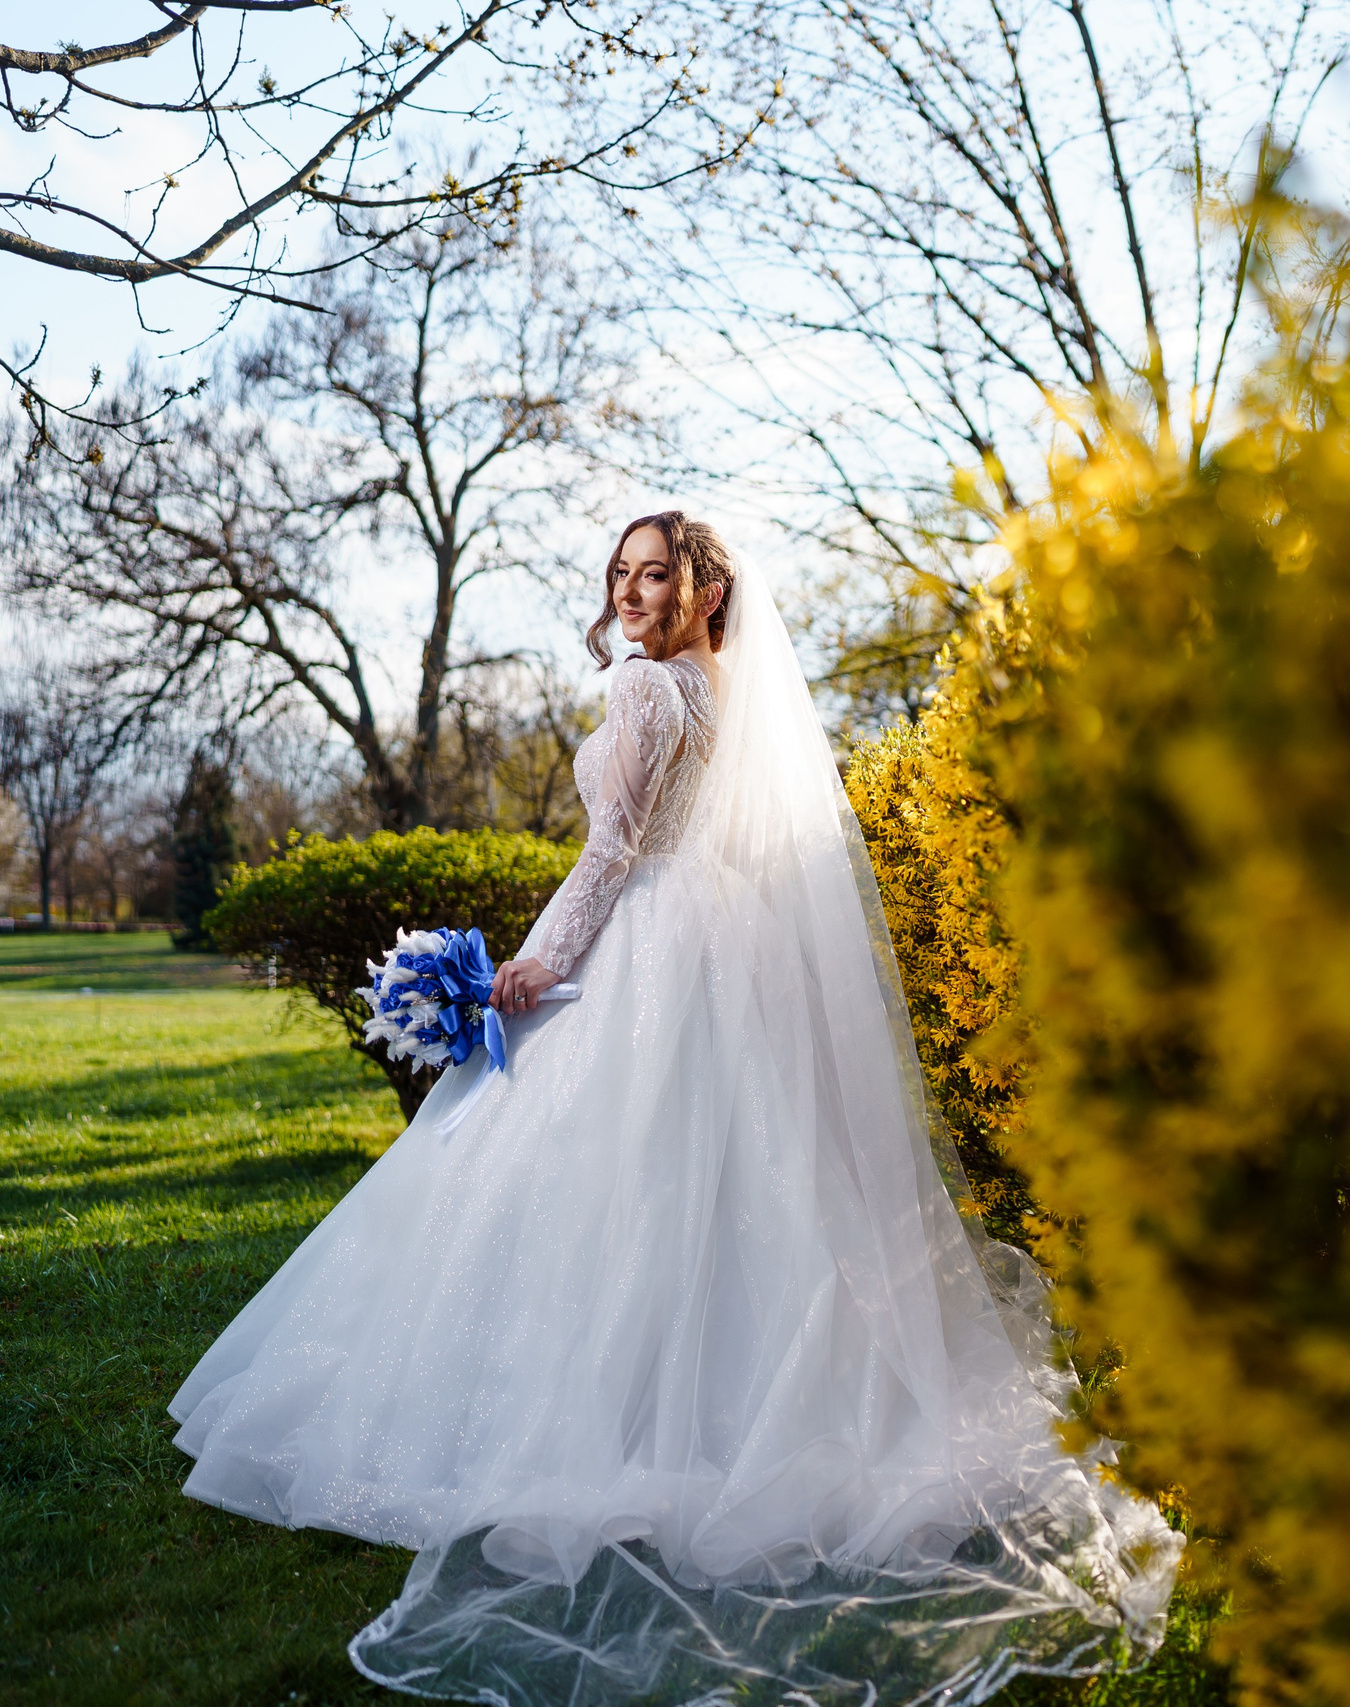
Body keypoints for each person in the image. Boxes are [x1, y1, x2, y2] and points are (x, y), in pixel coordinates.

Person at [168, 513, 1178, 1705]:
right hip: (720, 937)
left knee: (606, 1174)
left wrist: (533, 965)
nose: (634, 592)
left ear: (704, 591)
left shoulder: (650, 690)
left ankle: (582, 1428)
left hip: (648, 938)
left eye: (657, 575)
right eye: (622, 574)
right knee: (747, 1179)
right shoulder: (719, 686)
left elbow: (611, 855)